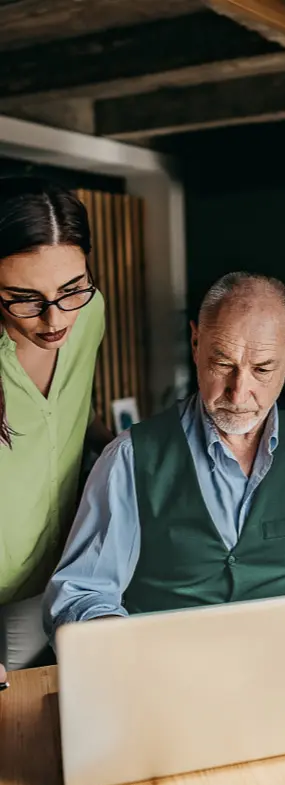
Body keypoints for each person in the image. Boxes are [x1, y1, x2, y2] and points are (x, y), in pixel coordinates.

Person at [43, 272, 285, 637]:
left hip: (284, 666)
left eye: (262, 369)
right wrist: (113, 642)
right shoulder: (128, 458)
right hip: (163, 674)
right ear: (196, 342)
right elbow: (81, 594)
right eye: (223, 364)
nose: (238, 391)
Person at [0, 176, 112, 671]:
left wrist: (125, 451)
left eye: (72, 288)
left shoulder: (90, 317)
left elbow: (71, 412)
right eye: (24, 298)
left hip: (44, 575)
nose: (54, 319)